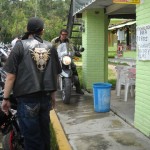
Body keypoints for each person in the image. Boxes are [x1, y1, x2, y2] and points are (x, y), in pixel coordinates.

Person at [1, 17, 61, 150]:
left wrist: (5, 98)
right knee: (44, 134)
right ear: (42, 31)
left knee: (32, 139)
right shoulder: (51, 47)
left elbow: (10, 76)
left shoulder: (20, 46)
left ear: (28, 30)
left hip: (27, 99)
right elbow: (54, 74)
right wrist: (53, 96)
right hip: (45, 97)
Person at [51, 29, 84, 94]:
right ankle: (50, 87)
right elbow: (50, 47)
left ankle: (78, 88)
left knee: (73, 67)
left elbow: (72, 48)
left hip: (66, 57)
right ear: (60, 34)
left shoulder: (69, 40)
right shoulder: (55, 41)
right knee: (51, 68)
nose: (64, 36)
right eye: (63, 34)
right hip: (57, 58)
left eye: (65, 35)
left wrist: (76, 52)